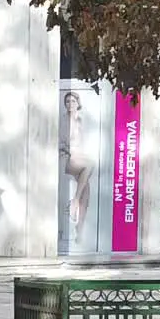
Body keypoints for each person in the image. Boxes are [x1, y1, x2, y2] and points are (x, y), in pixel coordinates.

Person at [60, 92, 94, 242]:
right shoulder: (63, 120)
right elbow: (60, 143)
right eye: (67, 101)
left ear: (77, 103)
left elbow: (83, 142)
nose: (70, 104)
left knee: (86, 188)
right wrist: (70, 150)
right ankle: (74, 201)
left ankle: (79, 228)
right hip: (65, 157)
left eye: (73, 101)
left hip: (78, 157)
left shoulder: (79, 121)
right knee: (90, 164)